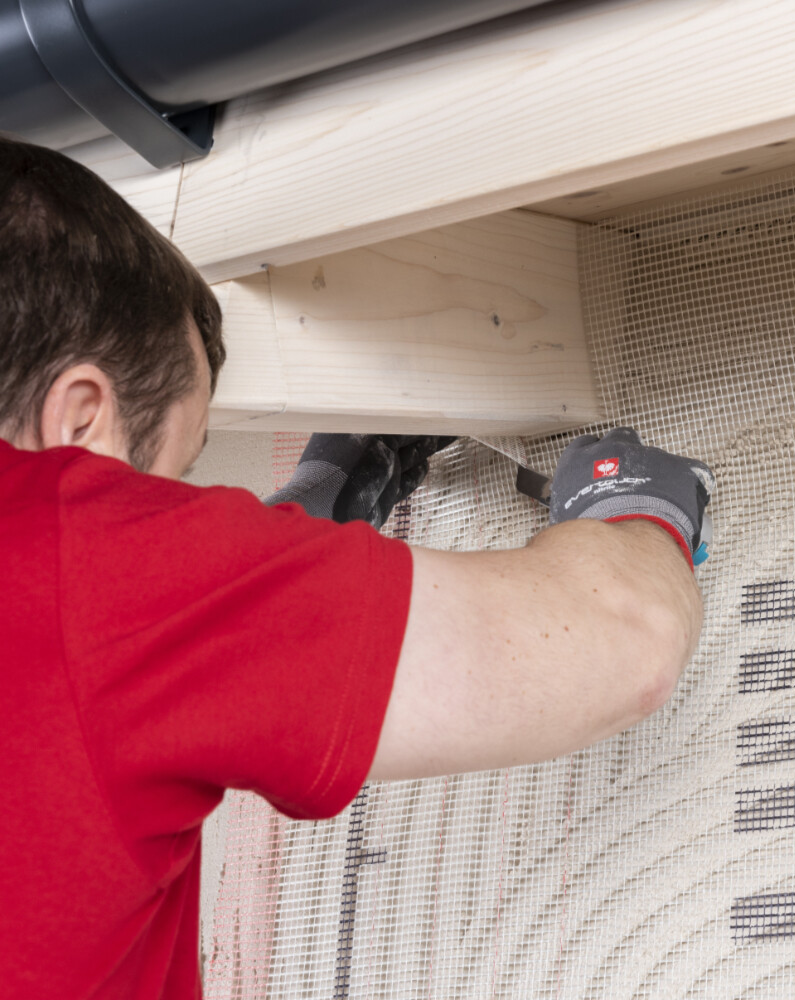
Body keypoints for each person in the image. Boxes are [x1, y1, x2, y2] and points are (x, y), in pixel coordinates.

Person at [0, 135, 713, 999]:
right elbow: (626, 635)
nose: (180, 520)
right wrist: (636, 501)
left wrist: (296, 539)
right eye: (174, 481)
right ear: (79, 423)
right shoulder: (83, 559)